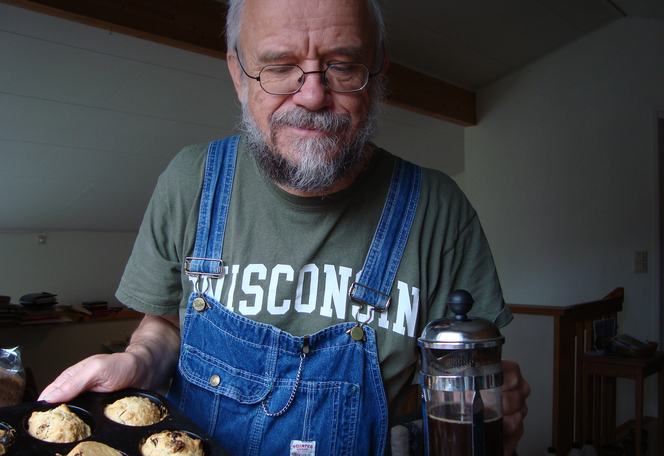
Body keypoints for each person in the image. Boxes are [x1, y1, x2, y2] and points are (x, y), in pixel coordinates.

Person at [40, 0, 530, 454]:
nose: (312, 96)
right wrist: (141, 359)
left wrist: (486, 419)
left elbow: (459, 389)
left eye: (342, 65)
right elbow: (167, 324)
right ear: (238, 73)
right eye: (278, 68)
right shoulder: (191, 181)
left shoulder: (438, 211)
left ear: (378, 68)